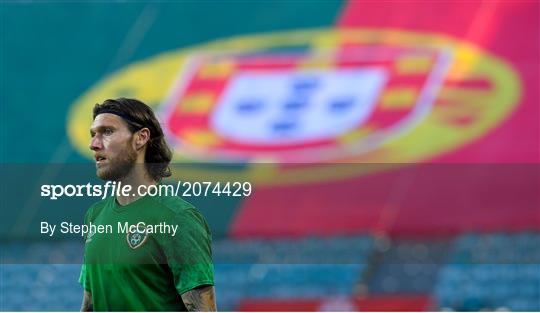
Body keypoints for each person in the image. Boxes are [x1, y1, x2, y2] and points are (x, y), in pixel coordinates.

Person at [79, 98, 216, 311]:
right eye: (93, 134)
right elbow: (90, 303)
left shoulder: (177, 217)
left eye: (107, 132)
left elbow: (202, 308)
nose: (94, 144)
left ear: (141, 138)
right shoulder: (94, 216)